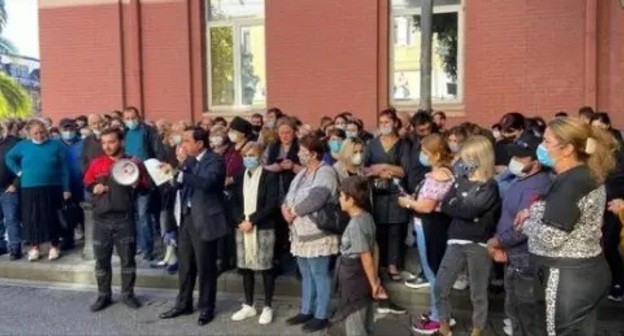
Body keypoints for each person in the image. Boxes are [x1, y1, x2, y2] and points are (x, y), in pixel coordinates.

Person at [518, 117, 615, 335]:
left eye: (547, 141)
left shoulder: (571, 182)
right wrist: (534, 213)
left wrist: (525, 222)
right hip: (586, 273)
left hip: (565, 278)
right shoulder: (586, 174)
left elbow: (553, 237)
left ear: (568, 148)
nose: (541, 147)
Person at [159, 126, 228, 326]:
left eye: (187, 141)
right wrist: (170, 178)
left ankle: (206, 307)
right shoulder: (188, 160)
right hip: (186, 217)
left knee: (205, 266)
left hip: (205, 218)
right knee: (185, 265)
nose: (183, 145)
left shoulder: (214, 160)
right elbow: (182, 184)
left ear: (199, 143)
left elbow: (208, 183)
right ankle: (183, 303)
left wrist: (180, 175)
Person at [486, 131, 551, 336]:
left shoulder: (538, 185)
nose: (514, 161)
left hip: (526, 260)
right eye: (513, 156)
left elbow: (524, 226)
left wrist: (497, 241)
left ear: (537, 161)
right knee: (514, 313)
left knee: (528, 317)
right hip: (514, 257)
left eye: (520, 157)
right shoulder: (521, 179)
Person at [435, 135, 501, 336]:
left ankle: (478, 328)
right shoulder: (460, 180)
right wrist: (461, 208)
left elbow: (470, 210)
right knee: (441, 285)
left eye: (467, 157)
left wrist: (460, 207)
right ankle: (443, 322)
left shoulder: (490, 186)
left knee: (478, 291)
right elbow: (445, 205)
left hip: (479, 243)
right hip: (455, 239)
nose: (463, 162)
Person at [83, 128, 149, 312]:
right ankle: (103, 295)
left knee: (128, 261)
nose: (107, 146)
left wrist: (137, 183)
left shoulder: (133, 162)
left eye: (111, 142)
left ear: (120, 142)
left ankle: (128, 294)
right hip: (101, 220)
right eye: (104, 143)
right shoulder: (96, 163)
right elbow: (87, 183)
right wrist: (94, 187)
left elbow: (146, 189)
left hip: (124, 219)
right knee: (101, 261)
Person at [397, 134, 455, 334]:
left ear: (437, 154)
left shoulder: (438, 175)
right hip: (434, 226)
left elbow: (427, 206)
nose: (421, 155)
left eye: (425, 152)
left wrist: (407, 202)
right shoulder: (442, 172)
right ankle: (440, 312)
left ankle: (438, 318)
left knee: (433, 273)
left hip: (432, 228)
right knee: (436, 271)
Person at [282, 134, 339, 333]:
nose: (299, 154)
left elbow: (318, 197)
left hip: (318, 234)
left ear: (314, 153)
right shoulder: (303, 173)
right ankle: (306, 309)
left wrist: (294, 212)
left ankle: (321, 314)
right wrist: (284, 209)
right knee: (305, 273)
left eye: (303, 151)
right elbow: (289, 195)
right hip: (299, 233)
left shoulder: (326, 172)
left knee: (319, 273)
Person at [6, 119, 71, 262]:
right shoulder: (22, 146)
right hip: (29, 187)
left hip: (52, 187)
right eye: (35, 133)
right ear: (29, 133)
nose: (39, 135)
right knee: (32, 218)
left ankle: (54, 246)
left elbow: (65, 169)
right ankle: (35, 247)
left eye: (42, 132)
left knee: (51, 217)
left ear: (46, 131)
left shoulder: (57, 145)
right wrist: (19, 172)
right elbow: (9, 158)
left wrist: (66, 188)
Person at [230, 142, 279, 325]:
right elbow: (233, 202)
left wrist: (252, 220)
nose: (248, 159)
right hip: (242, 226)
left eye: (252, 155)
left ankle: (267, 306)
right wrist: (240, 220)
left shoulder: (269, 176)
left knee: (265, 267)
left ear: (260, 157)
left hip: (262, 226)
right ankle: (248, 304)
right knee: (245, 267)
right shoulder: (239, 176)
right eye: (245, 155)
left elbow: (271, 203)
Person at [333, 176, 387, 336]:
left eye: (342, 196)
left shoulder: (356, 224)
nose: (339, 199)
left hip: (355, 278)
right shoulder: (367, 216)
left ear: (351, 200)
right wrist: (375, 280)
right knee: (365, 321)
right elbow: (374, 248)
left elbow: (365, 256)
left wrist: (373, 283)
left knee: (355, 324)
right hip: (364, 276)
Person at [363, 109, 411, 282]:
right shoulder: (372, 144)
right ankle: (380, 265)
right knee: (379, 231)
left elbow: (403, 170)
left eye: (387, 122)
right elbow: (364, 168)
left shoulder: (403, 145)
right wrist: (377, 172)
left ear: (395, 123)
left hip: (396, 193)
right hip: (377, 194)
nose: (383, 126)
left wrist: (383, 165)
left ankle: (393, 265)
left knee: (396, 231)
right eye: (381, 122)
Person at [123, 106, 166, 260]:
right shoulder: (125, 132)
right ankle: (137, 246)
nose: (130, 121)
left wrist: (155, 175)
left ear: (139, 116)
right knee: (131, 215)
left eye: (132, 117)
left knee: (143, 215)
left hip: (145, 180)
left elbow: (158, 153)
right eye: (127, 118)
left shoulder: (148, 131)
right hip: (127, 178)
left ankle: (147, 248)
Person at [591, 112, 624, 301]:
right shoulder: (594, 149)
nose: (597, 132)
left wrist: (609, 195)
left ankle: (618, 282)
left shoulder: (616, 150)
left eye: (600, 128)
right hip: (601, 202)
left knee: (610, 245)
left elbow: (617, 178)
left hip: (613, 204)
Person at [265, 117, 301, 271]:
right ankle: (279, 260)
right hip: (276, 190)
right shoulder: (272, 147)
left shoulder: (300, 147)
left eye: (288, 132)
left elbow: (309, 170)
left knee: (293, 225)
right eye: (281, 133)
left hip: (294, 190)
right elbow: (264, 166)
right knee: (278, 227)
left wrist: (293, 166)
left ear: (294, 133)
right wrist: (273, 167)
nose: (285, 136)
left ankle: (295, 261)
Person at [59, 118, 85, 249]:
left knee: (83, 211)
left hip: (80, 183)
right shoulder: (55, 144)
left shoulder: (82, 143)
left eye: (71, 129)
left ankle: (87, 237)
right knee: (66, 213)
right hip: (63, 184)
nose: (68, 131)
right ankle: (68, 240)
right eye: (65, 129)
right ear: (60, 130)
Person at [0, 121, 20, 259]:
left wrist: (15, 184)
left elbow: (23, 166)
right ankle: (1, 246)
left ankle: (15, 247)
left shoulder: (13, 145)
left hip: (8, 188)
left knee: (11, 218)